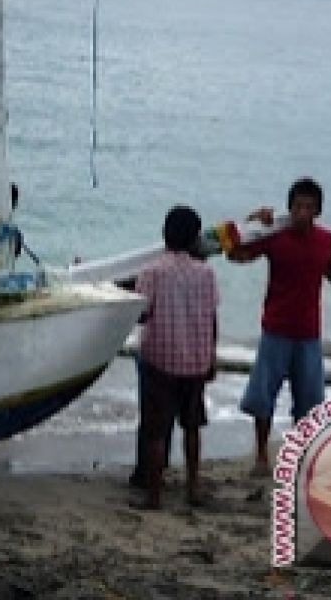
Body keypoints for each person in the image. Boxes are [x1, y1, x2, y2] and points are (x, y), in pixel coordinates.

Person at [229, 177, 331, 475]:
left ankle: (301, 456)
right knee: (262, 397)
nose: (303, 212)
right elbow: (236, 254)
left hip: (308, 333)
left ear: (318, 211)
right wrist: (252, 221)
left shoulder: (326, 240)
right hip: (276, 329)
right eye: (298, 206)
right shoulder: (275, 235)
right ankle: (262, 456)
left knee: (309, 401)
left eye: (309, 207)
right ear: (289, 208)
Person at [131, 206, 218, 510]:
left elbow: (141, 313)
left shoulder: (152, 271)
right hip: (195, 362)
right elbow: (211, 317)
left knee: (156, 431)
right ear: (195, 238)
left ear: (164, 234)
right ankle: (193, 487)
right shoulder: (206, 273)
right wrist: (211, 358)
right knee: (192, 427)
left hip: (160, 361)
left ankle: (154, 494)